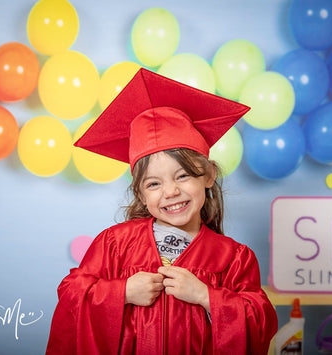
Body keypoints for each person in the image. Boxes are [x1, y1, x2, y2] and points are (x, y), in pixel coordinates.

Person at [46, 68, 277, 354]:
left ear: (208, 175)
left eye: (182, 176)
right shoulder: (115, 244)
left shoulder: (233, 258)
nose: (170, 192)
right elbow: (71, 295)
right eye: (154, 183)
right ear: (141, 194)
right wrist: (122, 293)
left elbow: (260, 320)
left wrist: (206, 296)